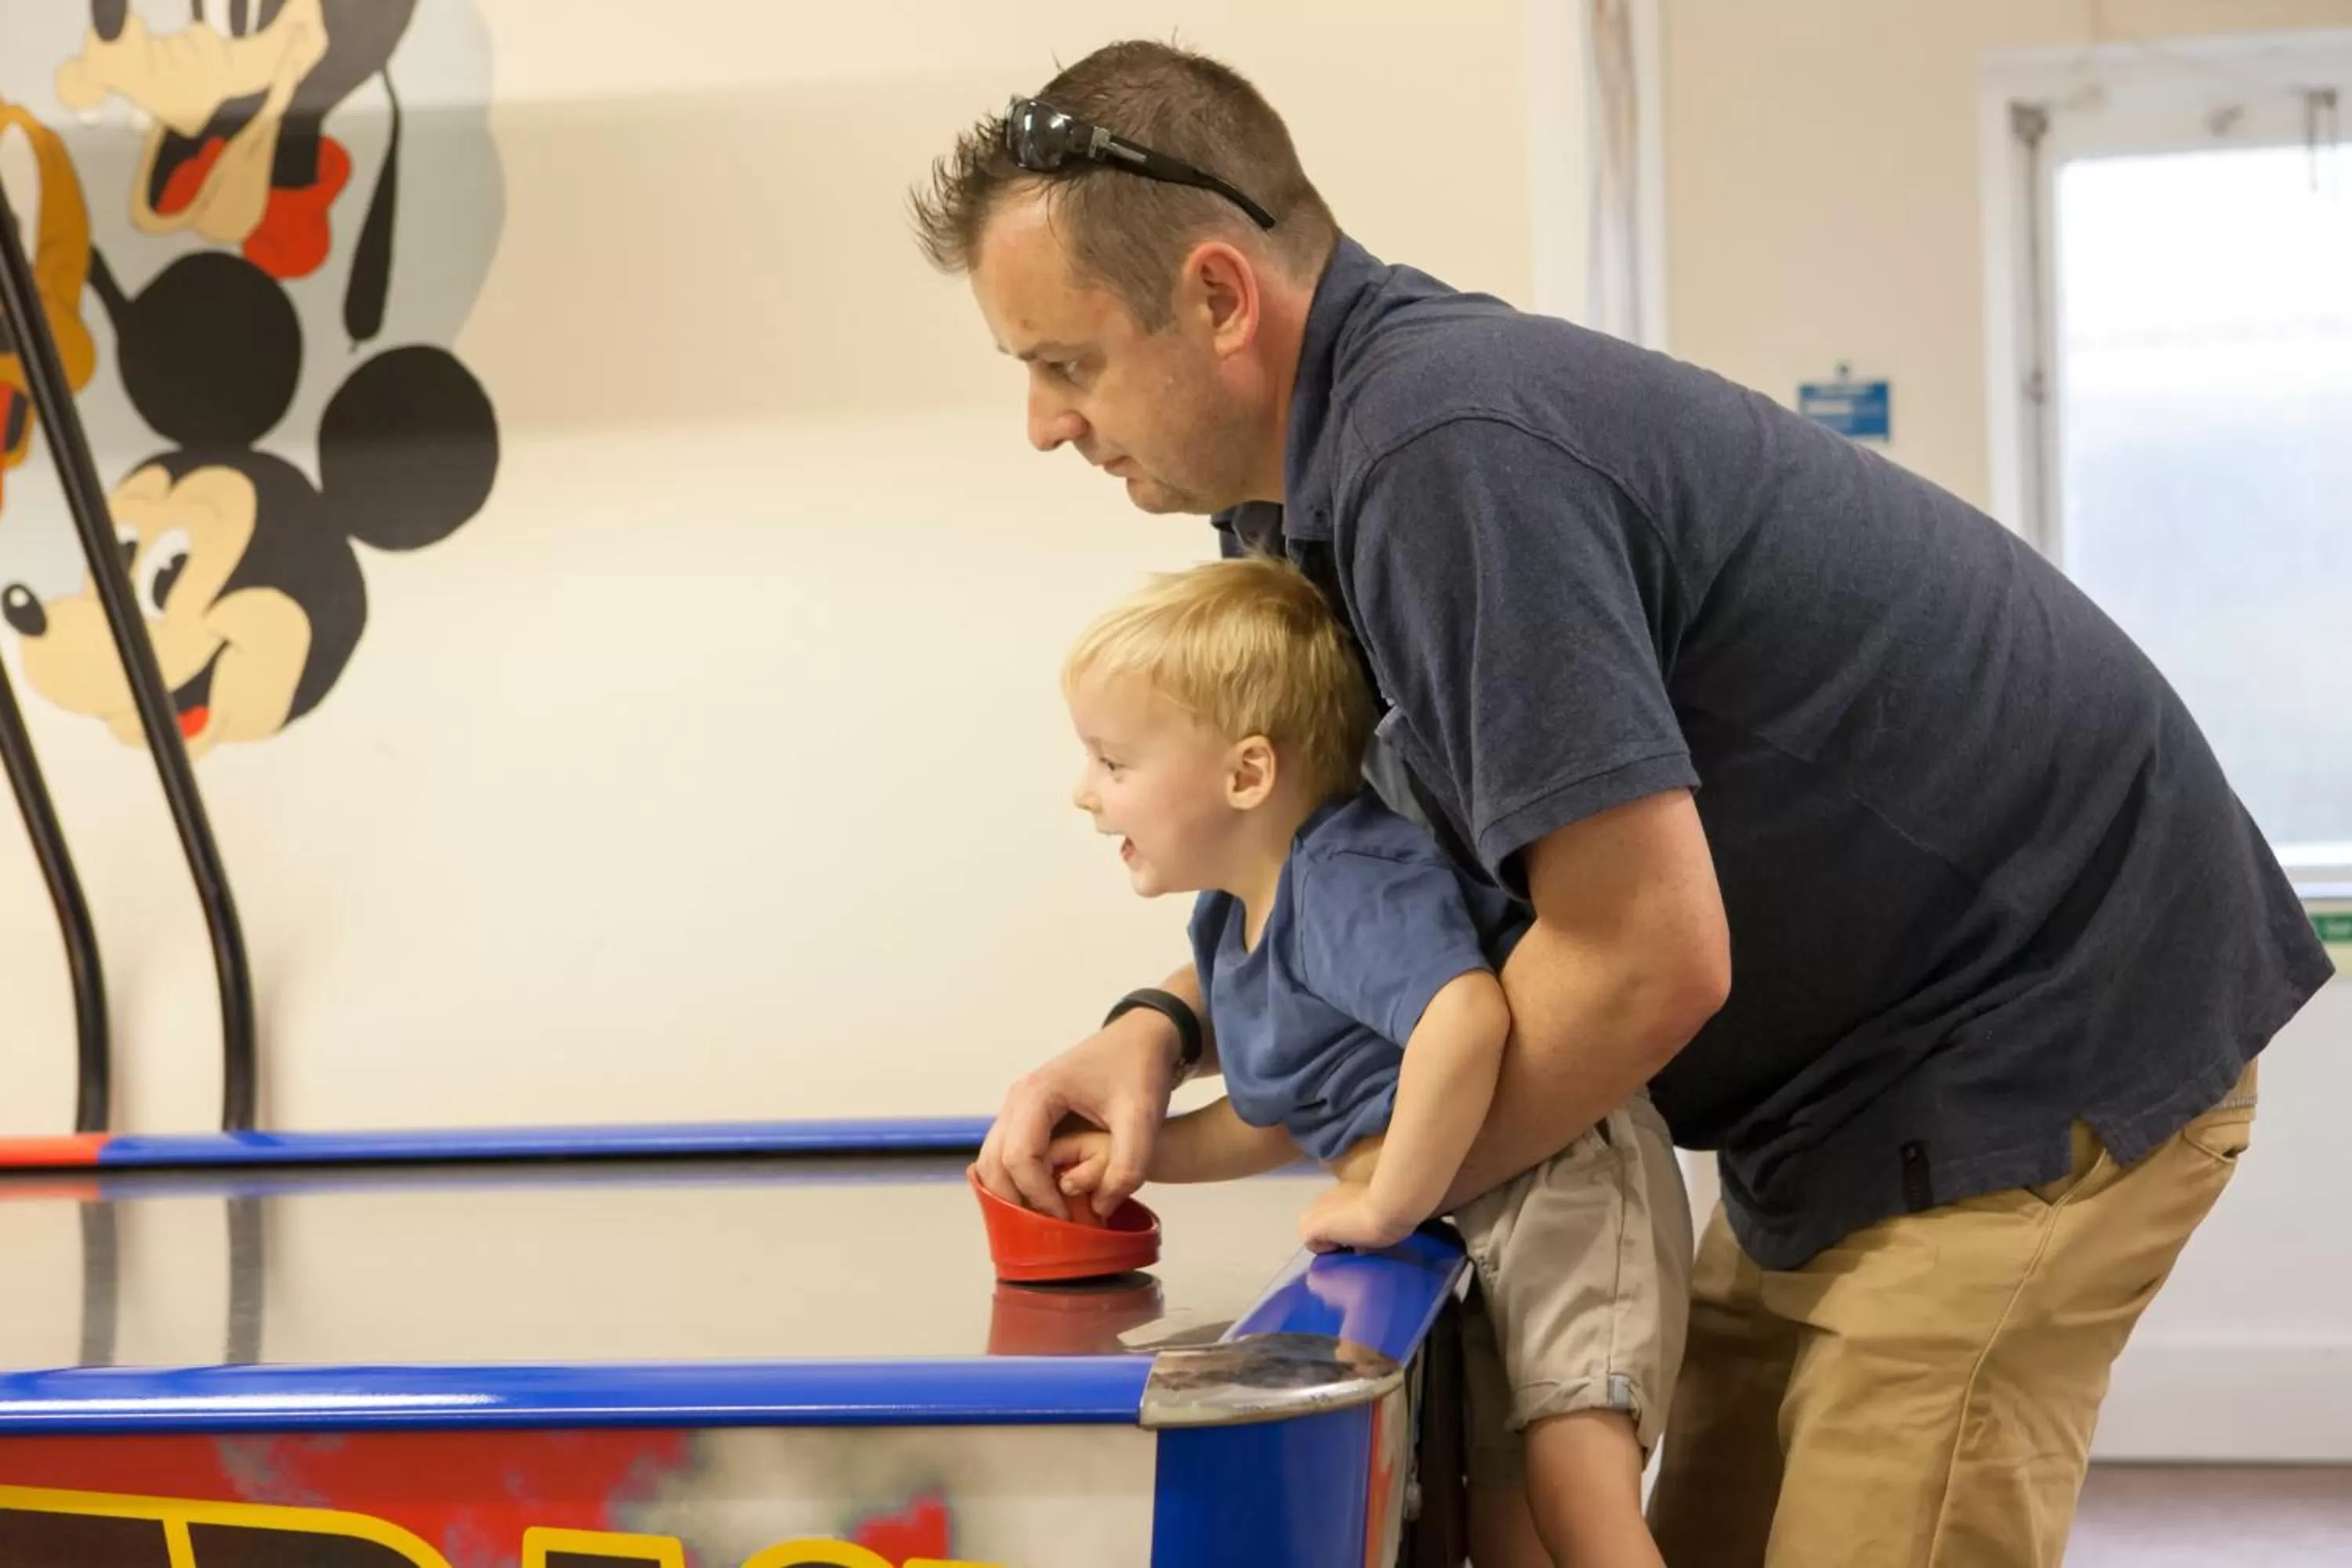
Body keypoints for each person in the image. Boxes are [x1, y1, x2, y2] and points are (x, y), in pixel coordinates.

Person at [909, 39, 2336, 1568]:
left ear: (1217, 296)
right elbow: (1364, 874)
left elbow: (1644, 956)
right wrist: (1160, 1027)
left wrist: (1394, 1183)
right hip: (1827, 1100)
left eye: (1067, 364)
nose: (1045, 423)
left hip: (2030, 1033)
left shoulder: (1445, 459)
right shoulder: (1297, 504)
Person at [1049, 552, 1690, 1564]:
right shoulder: (1229, 921)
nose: (1085, 795)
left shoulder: (1346, 876)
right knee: (1507, 1523)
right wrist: (1137, 1156)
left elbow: (1464, 1019)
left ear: (1248, 774)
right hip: (1483, 1197)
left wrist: (1387, 1202)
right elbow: (1283, 1112)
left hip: (1568, 1180)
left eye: (1113, 763)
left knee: (1577, 1483)